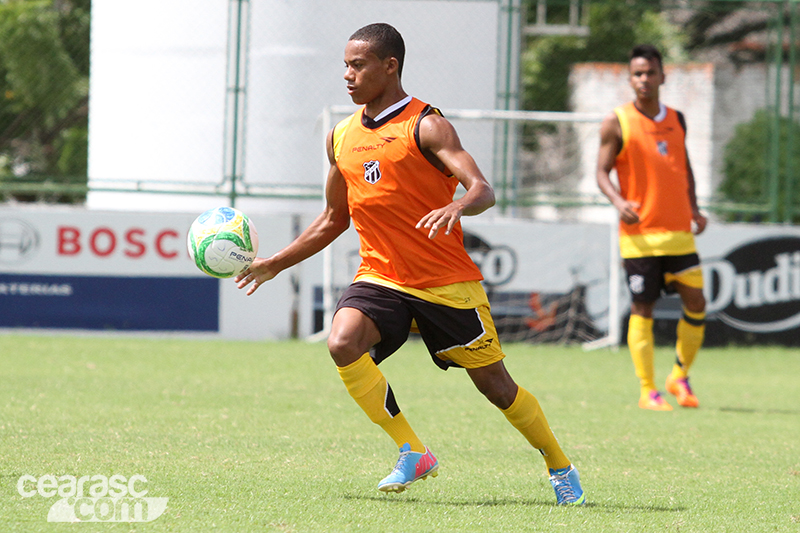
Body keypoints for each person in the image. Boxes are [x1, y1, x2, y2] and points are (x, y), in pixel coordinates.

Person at [236, 22, 585, 505]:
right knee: (342, 341)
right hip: (381, 276)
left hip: (446, 284)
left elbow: (483, 188)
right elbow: (335, 218)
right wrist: (275, 262)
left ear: (390, 66)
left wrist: (458, 206)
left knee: (497, 388)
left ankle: (558, 462)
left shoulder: (427, 125)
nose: (347, 76)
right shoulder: (341, 136)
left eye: (357, 65)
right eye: (345, 66)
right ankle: (411, 449)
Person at [596, 44, 707, 411]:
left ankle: (679, 376)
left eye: (650, 72)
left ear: (662, 75)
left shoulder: (677, 117)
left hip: (678, 231)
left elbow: (684, 166)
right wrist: (618, 201)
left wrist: (695, 208)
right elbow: (601, 171)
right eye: (637, 73)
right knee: (643, 308)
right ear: (631, 79)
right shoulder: (617, 121)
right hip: (640, 236)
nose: (644, 79)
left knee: (697, 302)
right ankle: (648, 390)